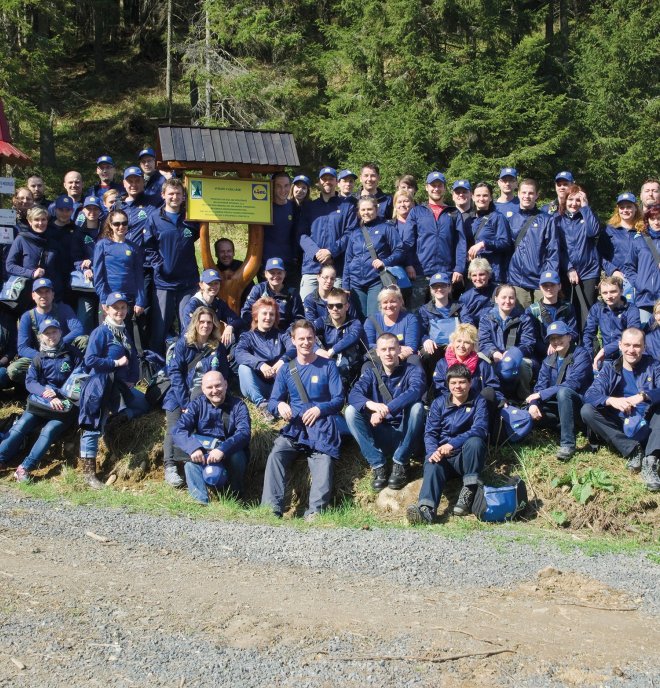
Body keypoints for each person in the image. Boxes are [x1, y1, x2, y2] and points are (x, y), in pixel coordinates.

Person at [261, 319, 345, 521]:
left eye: (309, 338)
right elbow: (273, 401)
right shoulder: (287, 370)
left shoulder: (329, 366)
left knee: (323, 459)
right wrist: (280, 406)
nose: (306, 342)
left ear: (315, 339)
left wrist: (319, 409)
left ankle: (315, 511)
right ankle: (272, 509)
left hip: (323, 425)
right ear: (293, 340)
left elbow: (339, 399)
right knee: (277, 453)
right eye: (301, 339)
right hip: (296, 428)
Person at [78, 293, 151, 489]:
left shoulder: (123, 331)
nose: (120, 311)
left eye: (123, 308)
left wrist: (131, 379)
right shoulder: (101, 332)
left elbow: (133, 358)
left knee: (145, 405)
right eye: (115, 308)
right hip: (101, 385)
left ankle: (116, 420)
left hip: (120, 387)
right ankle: (89, 475)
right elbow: (90, 361)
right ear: (106, 309)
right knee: (93, 426)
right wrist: (114, 363)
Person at [0, 318, 82, 482]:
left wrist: (58, 393)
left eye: (54, 331)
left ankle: (24, 468)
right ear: (41, 337)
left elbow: (80, 379)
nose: (51, 336)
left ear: (60, 332)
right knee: (21, 426)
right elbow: (30, 382)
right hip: (41, 402)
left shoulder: (73, 354)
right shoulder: (39, 357)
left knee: (48, 431)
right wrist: (45, 392)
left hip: (65, 406)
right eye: (47, 333)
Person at [406, 363, 489, 525]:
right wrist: (432, 451)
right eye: (453, 383)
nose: (458, 386)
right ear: (448, 384)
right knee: (432, 462)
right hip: (443, 457)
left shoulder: (479, 401)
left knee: (475, 442)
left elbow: (480, 429)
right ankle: (426, 511)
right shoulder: (438, 403)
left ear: (470, 383)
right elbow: (430, 433)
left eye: (462, 382)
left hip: (466, 458)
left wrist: (452, 444)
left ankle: (468, 492)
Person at [581, 327, 660, 491]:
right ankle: (632, 450)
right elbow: (590, 394)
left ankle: (651, 461)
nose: (631, 350)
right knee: (587, 410)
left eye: (637, 346)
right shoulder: (610, 368)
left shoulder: (654, 366)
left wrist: (644, 395)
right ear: (620, 345)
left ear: (644, 347)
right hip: (621, 423)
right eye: (627, 345)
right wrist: (611, 400)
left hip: (650, 424)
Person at [346, 333, 425, 491]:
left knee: (417, 408)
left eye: (391, 349)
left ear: (399, 350)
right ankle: (378, 464)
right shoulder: (371, 373)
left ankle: (401, 462)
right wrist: (372, 405)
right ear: (377, 352)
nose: (388, 353)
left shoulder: (413, 370)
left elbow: (416, 391)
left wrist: (386, 409)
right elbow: (353, 394)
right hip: (380, 431)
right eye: (384, 349)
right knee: (350, 412)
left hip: (406, 432)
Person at [161, 307, 231, 488]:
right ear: (195, 323)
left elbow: (224, 374)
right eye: (202, 322)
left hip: (207, 396)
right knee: (174, 426)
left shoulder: (217, 347)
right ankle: (170, 466)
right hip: (180, 393)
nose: (205, 326)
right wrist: (185, 403)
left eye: (209, 322)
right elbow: (175, 372)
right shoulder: (183, 344)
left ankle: (199, 467)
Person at [171, 371, 251, 503]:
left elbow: (244, 433)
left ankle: (235, 497)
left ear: (225, 384)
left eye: (218, 385)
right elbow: (178, 429)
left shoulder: (239, 406)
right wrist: (193, 448)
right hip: (203, 452)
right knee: (190, 464)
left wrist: (222, 450)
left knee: (238, 456)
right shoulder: (196, 405)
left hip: (228, 453)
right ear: (202, 389)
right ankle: (200, 501)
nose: (215, 391)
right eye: (209, 387)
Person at [144, 178, 200, 354]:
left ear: (184, 197)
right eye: (171, 194)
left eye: (178, 194)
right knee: (160, 327)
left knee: (189, 325)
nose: (174, 197)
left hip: (188, 282)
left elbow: (196, 238)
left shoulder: (191, 217)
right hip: (164, 283)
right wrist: (161, 266)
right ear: (163, 195)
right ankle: (156, 363)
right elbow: (148, 247)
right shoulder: (154, 218)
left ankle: (186, 361)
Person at [526, 321, 593, 460]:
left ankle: (567, 444)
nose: (556, 341)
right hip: (557, 405)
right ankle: (566, 425)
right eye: (552, 338)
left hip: (579, 405)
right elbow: (540, 386)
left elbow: (573, 383)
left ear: (569, 337)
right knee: (531, 411)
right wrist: (533, 403)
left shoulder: (581, 355)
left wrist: (542, 394)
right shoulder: (548, 360)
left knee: (564, 392)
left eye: (560, 337)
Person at [401, 171, 467, 310]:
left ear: (444, 188)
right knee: (416, 312)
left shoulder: (454, 212)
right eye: (433, 185)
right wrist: (408, 264)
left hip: (446, 272)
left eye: (439, 185)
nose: (436, 189)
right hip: (420, 272)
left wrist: (459, 268)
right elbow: (408, 241)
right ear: (426, 187)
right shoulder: (417, 212)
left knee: (444, 312)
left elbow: (460, 243)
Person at [8, 278, 85, 386]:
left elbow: (78, 329)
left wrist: (59, 343)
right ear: (33, 295)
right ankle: (38, 384)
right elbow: (22, 348)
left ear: (53, 294)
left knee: (84, 340)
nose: (43, 295)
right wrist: (44, 356)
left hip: (65, 354)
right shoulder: (27, 317)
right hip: (41, 358)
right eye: (39, 292)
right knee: (14, 370)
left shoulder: (64, 309)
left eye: (47, 291)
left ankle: (76, 381)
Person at [298, 166, 356, 300]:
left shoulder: (347, 207)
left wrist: (331, 251)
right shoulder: (309, 207)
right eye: (324, 179)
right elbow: (301, 234)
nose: (327, 182)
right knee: (307, 311)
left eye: (331, 179)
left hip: (336, 269)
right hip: (312, 268)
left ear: (336, 182)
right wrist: (316, 252)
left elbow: (350, 233)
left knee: (336, 311)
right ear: (319, 182)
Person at [342, 196, 405, 319]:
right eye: (363, 209)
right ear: (359, 211)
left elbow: (400, 250)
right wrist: (345, 285)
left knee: (373, 318)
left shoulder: (386, 228)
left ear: (376, 209)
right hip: (356, 282)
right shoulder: (355, 233)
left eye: (369, 209)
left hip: (375, 280)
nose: (366, 212)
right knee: (358, 318)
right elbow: (348, 260)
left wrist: (384, 262)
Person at [234, 296, 293, 419]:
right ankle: (262, 404)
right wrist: (260, 365)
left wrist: (282, 360)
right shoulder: (248, 336)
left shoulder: (282, 334)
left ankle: (283, 401)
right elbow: (239, 353)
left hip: (279, 384)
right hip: (257, 385)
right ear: (256, 316)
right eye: (264, 313)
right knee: (243, 368)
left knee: (291, 364)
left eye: (272, 314)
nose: (268, 317)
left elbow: (293, 348)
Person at [478, 283, 536, 401]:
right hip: (493, 356)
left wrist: (512, 354)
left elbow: (528, 343)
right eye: (504, 297)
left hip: (516, 357)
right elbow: (483, 341)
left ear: (515, 299)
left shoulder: (524, 318)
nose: (507, 301)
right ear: (496, 299)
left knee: (524, 365)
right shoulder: (486, 318)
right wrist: (494, 353)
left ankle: (524, 399)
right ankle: (487, 398)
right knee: (478, 359)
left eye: (511, 297)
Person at [507, 179, 559, 308]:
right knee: (522, 322)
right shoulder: (511, 220)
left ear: (536, 195)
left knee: (543, 320)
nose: (527, 196)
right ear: (518, 194)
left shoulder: (547, 220)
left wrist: (549, 278)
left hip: (540, 281)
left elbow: (553, 251)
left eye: (530, 193)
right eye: (523, 192)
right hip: (517, 279)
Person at [555, 185, 601, 330]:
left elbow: (593, 232)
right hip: (566, 273)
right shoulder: (557, 220)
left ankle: (587, 346)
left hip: (589, 273)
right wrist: (568, 268)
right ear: (565, 201)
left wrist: (586, 208)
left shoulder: (587, 216)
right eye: (570, 199)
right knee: (569, 311)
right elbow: (557, 249)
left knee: (586, 313)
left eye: (578, 200)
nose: (574, 203)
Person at [93, 209, 146, 329]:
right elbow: (98, 275)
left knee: (127, 336)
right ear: (110, 225)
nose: (121, 226)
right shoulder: (102, 245)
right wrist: (104, 299)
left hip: (128, 299)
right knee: (108, 335)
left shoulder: (134, 247)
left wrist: (140, 301)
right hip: (109, 299)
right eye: (117, 224)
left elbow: (138, 276)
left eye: (124, 223)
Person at [6, 206, 66, 304]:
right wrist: (31, 273)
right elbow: (10, 266)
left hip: (49, 295)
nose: (40, 223)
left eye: (43, 219)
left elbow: (60, 269)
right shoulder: (21, 239)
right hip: (27, 294)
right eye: (36, 220)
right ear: (30, 222)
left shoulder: (54, 242)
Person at [432, 323, 502, 406]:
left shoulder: (483, 365)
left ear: (473, 346)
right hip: (451, 407)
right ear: (453, 343)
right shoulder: (442, 364)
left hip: (477, 407)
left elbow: (493, 387)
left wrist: (501, 400)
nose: (461, 346)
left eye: (466, 342)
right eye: (459, 341)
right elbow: (439, 389)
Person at [583, 276, 641, 370]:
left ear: (621, 291)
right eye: (605, 293)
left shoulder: (631, 310)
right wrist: (588, 357)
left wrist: (605, 350)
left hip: (626, 356)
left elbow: (633, 336)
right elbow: (588, 333)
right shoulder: (597, 308)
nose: (609, 296)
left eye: (613, 291)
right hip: (606, 359)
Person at [313, 287, 365, 388]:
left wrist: (333, 350)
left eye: (339, 305)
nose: (334, 309)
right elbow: (304, 332)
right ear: (327, 307)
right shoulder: (321, 322)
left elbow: (353, 336)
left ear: (347, 307)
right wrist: (316, 350)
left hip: (349, 367)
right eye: (331, 306)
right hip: (326, 359)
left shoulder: (355, 323)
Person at [526, 271, 578, 363]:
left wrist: (557, 344)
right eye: (545, 285)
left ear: (559, 286)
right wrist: (549, 347)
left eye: (552, 285)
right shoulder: (532, 310)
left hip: (565, 350)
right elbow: (531, 338)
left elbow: (573, 332)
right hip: (541, 355)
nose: (549, 288)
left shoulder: (567, 307)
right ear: (540, 287)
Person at [465, 182, 511, 284]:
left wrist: (484, 244)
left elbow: (505, 243)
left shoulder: (497, 217)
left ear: (490, 198)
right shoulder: (469, 219)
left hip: (493, 274)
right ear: (472, 197)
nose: (481, 199)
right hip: (474, 274)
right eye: (478, 195)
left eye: (485, 195)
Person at [240, 257, 304, 332]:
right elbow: (246, 312)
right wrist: (257, 328)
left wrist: (288, 333)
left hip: (284, 332)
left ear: (284, 274)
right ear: (266, 274)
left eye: (279, 273)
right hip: (260, 331)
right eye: (272, 273)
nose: (276, 276)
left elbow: (298, 317)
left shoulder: (292, 293)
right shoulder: (258, 289)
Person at [181, 268, 241, 347]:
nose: (213, 287)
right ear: (201, 285)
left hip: (213, 342)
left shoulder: (218, 302)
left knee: (240, 335)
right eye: (210, 283)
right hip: (192, 344)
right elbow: (190, 331)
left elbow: (237, 320)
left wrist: (230, 327)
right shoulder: (192, 305)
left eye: (216, 283)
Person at [599, 192, 644, 296]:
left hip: (640, 280)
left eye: (629, 207)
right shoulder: (608, 230)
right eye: (622, 207)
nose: (625, 210)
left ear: (635, 208)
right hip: (617, 281)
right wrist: (613, 271)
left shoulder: (643, 231)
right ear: (618, 210)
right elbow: (600, 255)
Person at [71, 195, 104, 333]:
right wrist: (83, 268)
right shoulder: (78, 232)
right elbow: (75, 257)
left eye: (95, 209)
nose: (92, 212)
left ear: (100, 211)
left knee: (104, 319)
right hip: (87, 283)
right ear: (83, 211)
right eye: (88, 209)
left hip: (104, 280)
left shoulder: (106, 231)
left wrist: (92, 259)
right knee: (84, 317)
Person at [364, 285, 421, 364]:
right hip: (380, 358)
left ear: (400, 302)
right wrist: (395, 348)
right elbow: (368, 345)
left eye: (393, 301)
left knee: (414, 360)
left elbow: (411, 347)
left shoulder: (410, 319)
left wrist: (398, 357)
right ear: (380, 305)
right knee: (367, 365)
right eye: (385, 302)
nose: (389, 305)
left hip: (403, 357)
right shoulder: (371, 320)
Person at [418, 272, 462, 372]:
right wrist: (426, 340)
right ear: (431, 290)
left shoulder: (460, 307)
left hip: (456, 345)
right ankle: (430, 383)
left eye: (443, 285)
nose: (439, 289)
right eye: (435, 287)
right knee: (426, 353)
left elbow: (468, 325)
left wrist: (458, 341)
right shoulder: (424, 310)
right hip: (435, 347)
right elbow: (422, 330)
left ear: (449, 288)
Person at [625, 204, 660, 323]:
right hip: (645, 298)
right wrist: (639, 283)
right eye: (653, 218)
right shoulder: (639, 240)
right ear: (647, 220)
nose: (656, 222)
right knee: (645, 335)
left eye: (659, 218)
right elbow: (629, 266)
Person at [265, 172, 299, 284]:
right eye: (278, 186)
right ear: (272, 187)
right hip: (267, 264)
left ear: (290, 186)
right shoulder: (263, 207)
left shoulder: (294, 207)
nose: (283, 190)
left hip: (288, 263)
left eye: (286, 186)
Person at [458, 258, 497, 329]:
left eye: (481, 274)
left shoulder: (499, 291)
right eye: (474, 275)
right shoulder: (465, 298)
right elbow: (465, 321)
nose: (478, 278)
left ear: (488, 274)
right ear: (470, 277)